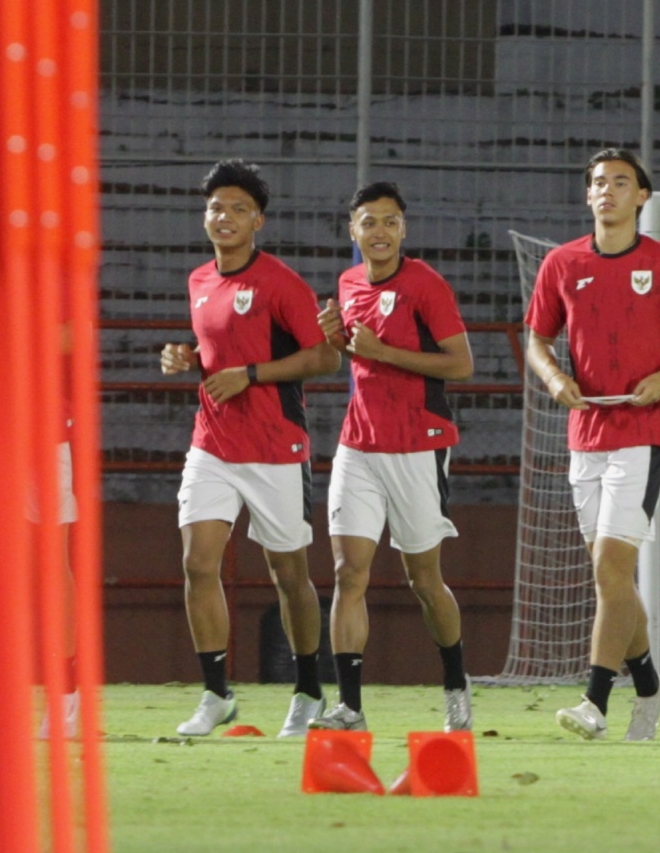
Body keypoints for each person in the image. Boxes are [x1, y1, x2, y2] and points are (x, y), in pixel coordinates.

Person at [525, 148, 660, 743]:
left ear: (641, 197)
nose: (607, 190)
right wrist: (555, 378)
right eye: (599, 182)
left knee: (612, 569)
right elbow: (536, 338)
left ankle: (594, 700)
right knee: (613, 580)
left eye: (621, 182)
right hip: (586, 434)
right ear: (588, 197)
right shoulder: (561, 263)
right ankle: (651, 686)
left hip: (645, 433)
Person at [159, 160, 340, 739]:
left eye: (238, 208)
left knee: (289, 574)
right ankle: (216, 695)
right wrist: (186, 358)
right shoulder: (198, 281)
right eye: (216, 207)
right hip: (211, 444)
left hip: (274, 448)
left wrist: (251, 374)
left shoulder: (281, 283)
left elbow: (324, 358)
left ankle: (309, 689)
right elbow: (213, 348)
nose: (225, 217)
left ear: (258, 219)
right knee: (196, 563)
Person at [313, 181, 477, 734]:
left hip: (418, 447)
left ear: (403, 230)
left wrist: (386, 353)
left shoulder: (426, 285)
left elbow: (460, 365)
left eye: (389, 222)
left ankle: (455, 683)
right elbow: (356, 358)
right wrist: (335, 340)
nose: (379, 232)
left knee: (424, 580)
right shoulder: (348, 281)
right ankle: (350, 707)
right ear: (352, 230)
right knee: (347, 573)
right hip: (358, 446)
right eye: (368, 222)